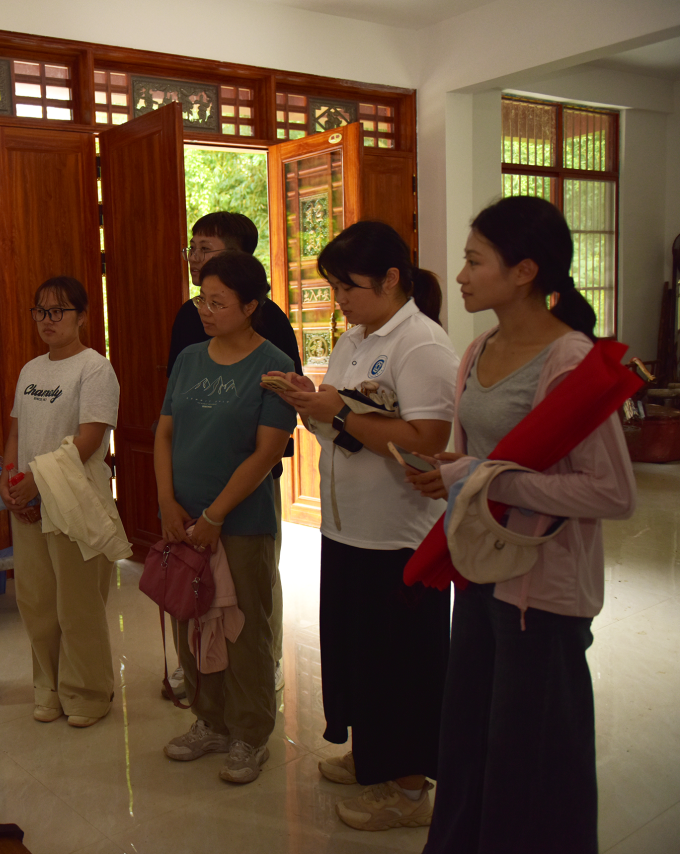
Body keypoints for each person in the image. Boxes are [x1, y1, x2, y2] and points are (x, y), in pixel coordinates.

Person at [408, 196, 635, 853]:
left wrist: (483, 477)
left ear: (525, 271)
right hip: (482, 571)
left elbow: (612, 491)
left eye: (475, 261)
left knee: (530, 761)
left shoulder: (571, 361)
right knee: (469, 741)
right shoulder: (479, 348)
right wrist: (453, 472)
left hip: (544, 593)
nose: (460, 276)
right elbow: (483, 459)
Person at [268, 221, 457, 829]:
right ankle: (374, 756)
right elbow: (341, 421)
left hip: (398, 536)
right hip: (347, 529)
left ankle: (408, 792)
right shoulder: (354, 339)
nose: (340, 298)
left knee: (403, 667)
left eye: (348, 286)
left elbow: (426, 441)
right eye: (335, 286)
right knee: (361, 658)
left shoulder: (421, 345)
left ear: (391, 278)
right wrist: (311, 401)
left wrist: (342, 413)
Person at [156, 252, 295, 784]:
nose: (205, 311)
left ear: (251, 306)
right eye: (202, 300)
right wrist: (167, 501)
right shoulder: (190, 358)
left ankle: (250, 734)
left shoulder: (274, 366)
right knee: (190, 621)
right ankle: (209, 721)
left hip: (241, 521)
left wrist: (215, 515)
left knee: (243, 628)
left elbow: (267, 452)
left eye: (219, 303)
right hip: (184, 517)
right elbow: (165, 432)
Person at [2, 276, 121, 729]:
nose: (47, 320)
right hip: (29, 499)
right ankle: (48, 688)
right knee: (36, 602)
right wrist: (10, 480)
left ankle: (88, 692)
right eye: (40, 311)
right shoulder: (30, 370)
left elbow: (90, 439)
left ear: (83, 316)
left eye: (58, 311)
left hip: (73, 499)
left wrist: (38, 480)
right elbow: (16, 432)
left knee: (77, 605)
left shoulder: (95, 368)